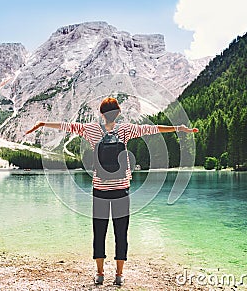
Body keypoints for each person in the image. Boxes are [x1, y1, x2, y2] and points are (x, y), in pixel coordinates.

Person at [25, 97, 198, 286]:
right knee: (121, 232)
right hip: (121, 190)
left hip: (99, 189)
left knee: (99, 232)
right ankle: (119, 275)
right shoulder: (126, 129)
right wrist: (179, 128)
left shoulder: (91, 130)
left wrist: (43, 123)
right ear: (118, 113)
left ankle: (99, 274)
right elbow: (153, 129)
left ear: (101, 114)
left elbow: (67, 126)